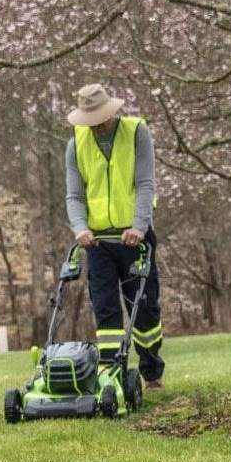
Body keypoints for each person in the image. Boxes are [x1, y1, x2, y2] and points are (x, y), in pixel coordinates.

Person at [65, 82, 165, 388]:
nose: (97, 124)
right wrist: (80, 228)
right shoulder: (76, 144)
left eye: (101, 118)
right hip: (98, 242)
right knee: (105, 309)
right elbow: (74, 195)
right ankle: (112, 377)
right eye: (91, 120)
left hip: (134, 237)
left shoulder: (136, 133)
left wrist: (139, 226)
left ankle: (152, 372)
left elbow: (145, 183)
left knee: (144, 307)